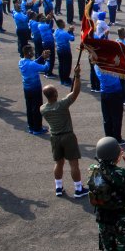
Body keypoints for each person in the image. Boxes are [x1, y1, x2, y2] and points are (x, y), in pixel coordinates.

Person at [41, 64, 89, 197]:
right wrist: (77, 75)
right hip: (68, 136)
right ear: (56, 94)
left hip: (54, 137)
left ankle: (58, 187)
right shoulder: (62, 105)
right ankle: (78, 189)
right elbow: (75, 92)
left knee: (58, 163)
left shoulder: (43, 109)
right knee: (74, 164)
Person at [19, 44, 51, 135]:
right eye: (32, 51)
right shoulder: (31, 64)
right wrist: (47, 59)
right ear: (28, 53)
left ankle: (31, 126)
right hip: (35, 89)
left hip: (27, 88)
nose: (33, 52)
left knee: (29, 107)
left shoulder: (21, 62)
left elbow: (34, 63)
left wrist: (41, 57)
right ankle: (37, 128)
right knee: (37, 108)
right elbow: (45, 68)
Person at [94, 64, 125, 146]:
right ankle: (117, 138)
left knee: (107, 117)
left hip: (104, 93)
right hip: (116, 92)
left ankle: (108, 138)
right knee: (117, 117)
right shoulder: (113, 65)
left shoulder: (97, 66)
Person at [54, 20, 75, 86]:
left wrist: (68, 31)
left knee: (61, 65)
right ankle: (66, 79)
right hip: (65, 51)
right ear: (61, 24)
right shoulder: (63, 33)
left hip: (59, 50)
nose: (64, 23)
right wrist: (71, 31)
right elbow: (72, 38)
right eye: (63, 23)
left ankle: (62, 79)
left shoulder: (56, 31)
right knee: (67, 65)